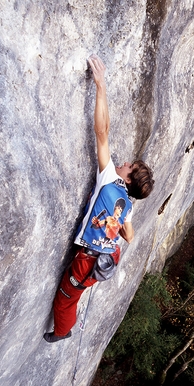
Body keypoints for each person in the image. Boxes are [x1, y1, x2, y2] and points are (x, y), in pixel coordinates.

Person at [44, 54, 154, 343]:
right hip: (107, 256)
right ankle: (64, 327)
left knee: (67, 298)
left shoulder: (109, 180)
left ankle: (62, 332)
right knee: (76, 291)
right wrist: (116, 224)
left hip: (88, 259)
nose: (122, 163)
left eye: (128, 166)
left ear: (127, 179)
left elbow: (102, 132)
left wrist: (101, 86)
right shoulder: (127, 204)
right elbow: (129, 237)